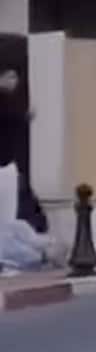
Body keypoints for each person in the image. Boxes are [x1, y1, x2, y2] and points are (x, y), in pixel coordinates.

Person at [0, 67, 47, 233]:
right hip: (5, 165)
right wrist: (24, 117)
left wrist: (24, 118)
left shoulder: (11, 101)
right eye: (10, 77)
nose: (14, 82)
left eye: (15, 78)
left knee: (14, 206)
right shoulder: (5, 102)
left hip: (9, 163)